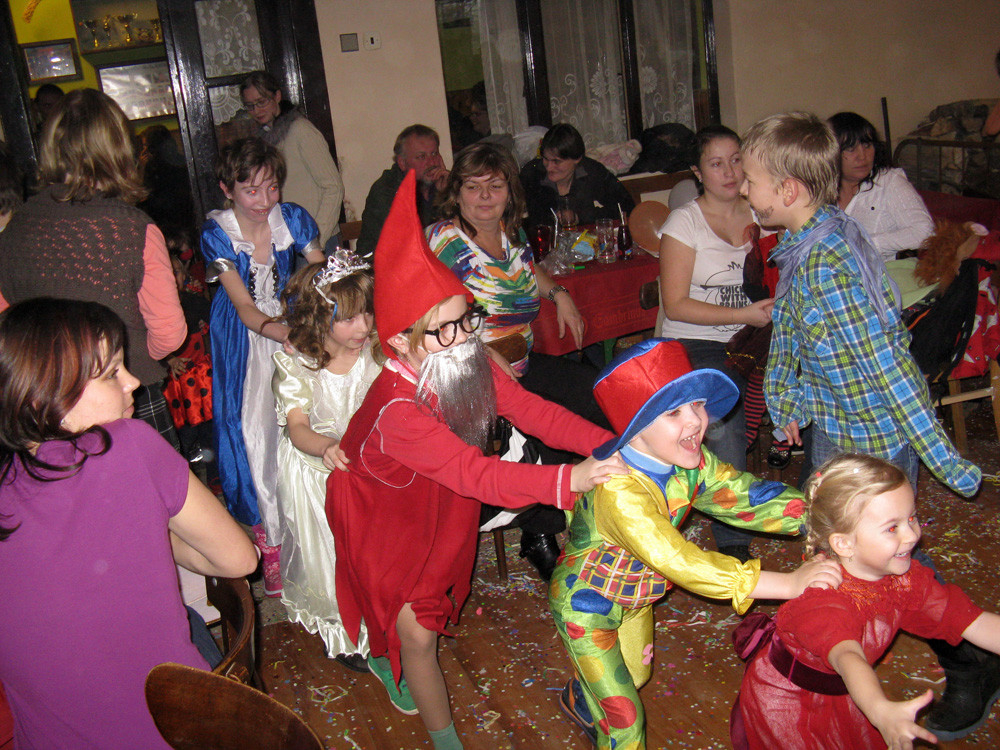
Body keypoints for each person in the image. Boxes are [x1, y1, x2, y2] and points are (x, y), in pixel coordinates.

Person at [328, 171, 625, 750]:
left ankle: (393, 652)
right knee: (417, 631)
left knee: (438, 596)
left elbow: (528, 408)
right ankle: (440, 734)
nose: (465, 337)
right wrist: (571, 479)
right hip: (386, 514)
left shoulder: (464, 353)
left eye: (469, 319)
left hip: (442, 493)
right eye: (446, 329)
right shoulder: (397, 410)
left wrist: (605, 444)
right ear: (401, 342)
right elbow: (476, 473)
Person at [740, 111, 994, 740]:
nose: (744, 189)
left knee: (893, 557)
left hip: (870, 439)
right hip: (836, 423)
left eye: (750, 180)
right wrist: (787, 400)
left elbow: (888, 365)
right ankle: (830, 646)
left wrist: (942, 455)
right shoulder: (812, 239)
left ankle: (972, 662)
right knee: (849, 550)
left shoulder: (828, 261)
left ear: (788, 189)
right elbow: (798, 331)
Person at [549, 338, 841, 749]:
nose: (696, 422)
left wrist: (825, 516)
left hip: (637, 596)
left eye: (698, 405)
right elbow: (680, 561)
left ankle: (582, 697)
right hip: (585, 606)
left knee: (634, 676)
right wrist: (790, 584)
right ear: (635, 427)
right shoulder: (619, 492)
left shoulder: (691, 463)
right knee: (625, 722)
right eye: (673, 412)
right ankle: (597, 704)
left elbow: (744, 497)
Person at [0, 298, 257, 750]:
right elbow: (240, 559)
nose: (134, 382)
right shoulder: (127, 444)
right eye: (110, 374)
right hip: (171, 730)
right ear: (42, 397)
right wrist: (156, 527)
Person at [734, 454, 1000, 750]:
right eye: (892, 527)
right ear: (844, 543)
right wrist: (879, 710)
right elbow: (847, 656)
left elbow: (971, 621)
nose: (912, 535)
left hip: (852, 690)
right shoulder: (824, 599)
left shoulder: (905, 579)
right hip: (792, 705)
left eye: (911, 518)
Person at [428, 141, 604, 579]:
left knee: (597, 392)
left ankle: (597, 509)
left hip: (522, 363)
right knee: (537, 426)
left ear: (510, 191)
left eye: (495, 185)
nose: (485, 196)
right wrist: (481, 350)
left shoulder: (509, 233)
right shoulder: (445, 241)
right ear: (456, 192)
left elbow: (526, 268)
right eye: (473, 187)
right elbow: (431, 316)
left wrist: (559, 294)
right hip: (468, 374)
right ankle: (540, 531)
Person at [0, 88, 186, 449]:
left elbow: (7, 328)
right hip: (126, 399)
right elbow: (170, 333)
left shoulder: (15, 227)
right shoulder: (134, 229)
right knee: (149, 485)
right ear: (118, 148)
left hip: (48, 404)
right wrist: (129, 361)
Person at [202, 137, 325, 596]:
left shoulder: (291, 217)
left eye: (271, 187)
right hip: (244, 336)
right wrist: (288, 335)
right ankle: (271, 539)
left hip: (292, 321)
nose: (264, 200)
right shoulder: (217, 233)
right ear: (227, 189)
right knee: (257, 433)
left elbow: (321, 271)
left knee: (308, 422)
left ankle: (316, 528)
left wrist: (326, 308)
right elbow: (245, 308)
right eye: (251, 190)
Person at [656, 125, 776, 562]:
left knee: (822, 372)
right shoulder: (684, 222)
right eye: (716, 163)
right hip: (696, 339)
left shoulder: (763, 211)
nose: (729, 172)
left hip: (758, 334)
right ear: (697, 172)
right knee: (723, 412)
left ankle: (828, 501)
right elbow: (676, 306)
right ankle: (733, 541)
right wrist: (744, 315)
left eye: (736, 160)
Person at [272, 251, 381, 672]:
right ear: (320, 317)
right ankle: (345, 636)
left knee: (371, 550)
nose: (363, 327)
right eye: (349, 319)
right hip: (316, 470)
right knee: (332, 556)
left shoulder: (375, 349)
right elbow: (297, 427)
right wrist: (326, 446)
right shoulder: (297, 361)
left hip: (367, 467)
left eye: (367, 313)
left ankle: (378, 617)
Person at [241, 71, 345, 254]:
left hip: (315, 239)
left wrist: (315, 239)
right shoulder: (264, 139)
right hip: (288, 241)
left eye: (261, 102)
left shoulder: (301, 131)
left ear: (277, 96)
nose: (256, 111)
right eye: (250, 106)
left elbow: (334, 188)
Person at [828, 112, 934, 261]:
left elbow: (925, 233)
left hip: (883, 272)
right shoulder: (820, 190)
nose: (862, 156)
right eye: (851, 149)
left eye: (867, 146)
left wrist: (864, 243)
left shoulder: (889, 182)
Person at [357, 124, 450, 261]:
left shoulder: (441, 184)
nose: (431, 162)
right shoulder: (386, 191)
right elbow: (410, 243)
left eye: (434, 154)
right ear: (402, 163)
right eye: (421, 157)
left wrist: (448, 193)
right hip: (381, 267)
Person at [519, 122, 634, 231]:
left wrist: (579, 216)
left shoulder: (591, 171)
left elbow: (627, 207)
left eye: (556, 161)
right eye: (545, 159)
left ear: (577, 159)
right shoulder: (531, 175)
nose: (549, 167)